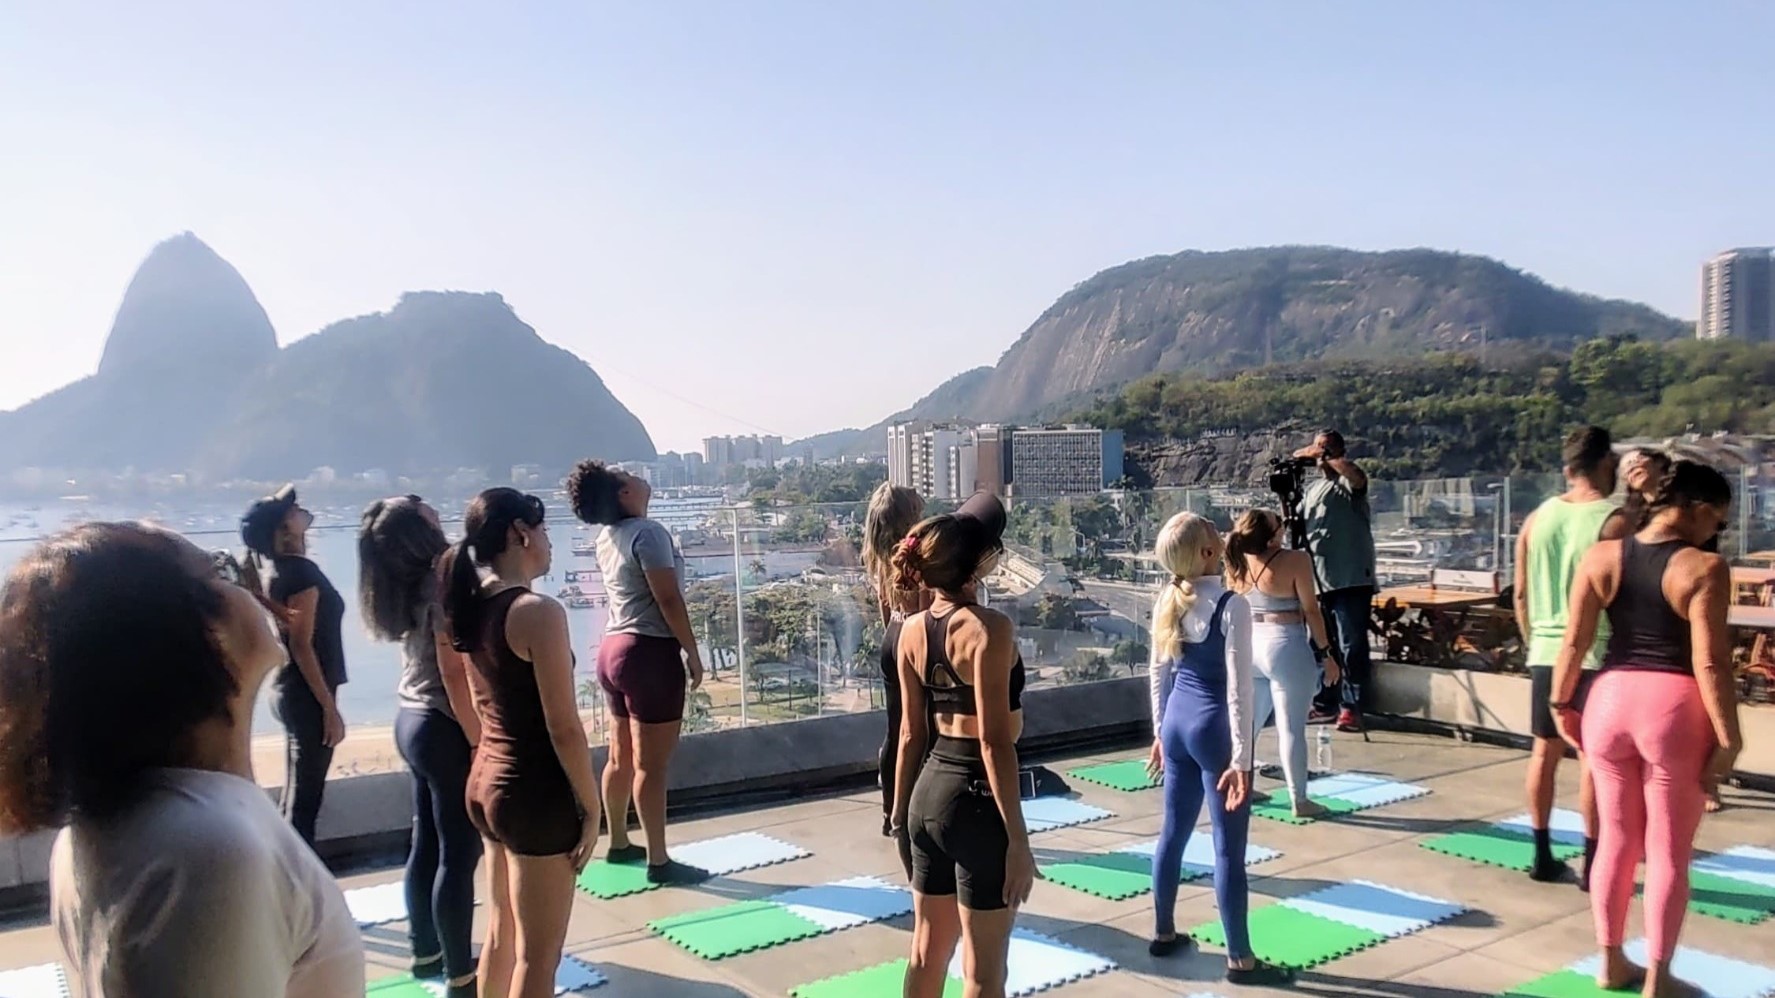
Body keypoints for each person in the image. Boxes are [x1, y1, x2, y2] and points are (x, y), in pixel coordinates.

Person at [0, 524, 363, 995]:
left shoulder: (121, 821)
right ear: (183, 629)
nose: (245, 583)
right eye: (221, 568)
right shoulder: (205, 852)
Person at [1551, 461, 1741, 998]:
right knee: (1668, 853)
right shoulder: (1703, 567)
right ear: (1698, 509)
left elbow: (1574, 642)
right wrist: (1729, 740)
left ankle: (1610, 963)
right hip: (1673, 708)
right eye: (1718, 521)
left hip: (1608, 701)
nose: (1716, 532)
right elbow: (1711, 663)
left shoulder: (1602, 555)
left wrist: (1561, 701)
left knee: (1614, 839)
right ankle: (1658, 978)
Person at [442, 489, 602, 998]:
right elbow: (565, 728)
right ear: (521, 532)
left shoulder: (471, 606)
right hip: (535, 797)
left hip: (487, 785)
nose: (552, 541)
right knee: (538, 958)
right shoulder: (537, 612)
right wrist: (591, 807)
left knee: (500, 933)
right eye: (546, 528)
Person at [889, 493, 1035, 998]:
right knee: (984, 971)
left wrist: (897, 812)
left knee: (926, 953)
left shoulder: (909, 631)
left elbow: (911, 734)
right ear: (973, 567)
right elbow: (996, 743)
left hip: (927, 793)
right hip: (977, 801)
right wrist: (1018, 839)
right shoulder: (989, 630)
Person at [1144, 512, 1289, 985]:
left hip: (1178, 726)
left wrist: (1159, 733)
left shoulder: (1169, 596)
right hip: (1214, 732)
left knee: (1173, 833)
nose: (1222, 535)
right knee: (1228, 852)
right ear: (1207, 553)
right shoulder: (1233, 605)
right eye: (1213, 532)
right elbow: (1239, 691)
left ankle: (1163, 933)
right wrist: (1242, 761)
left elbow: (1158, 674)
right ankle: (1241, 960)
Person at [360, 496, 482, 995]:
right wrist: (480, 739)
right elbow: (453, 668)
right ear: (419, 531)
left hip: (410, 719)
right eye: (429, 512)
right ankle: (461, 975)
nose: (438, 513)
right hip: (442, 724)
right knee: (460, 851)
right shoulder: (443, 578)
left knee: (426, 844)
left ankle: (426, 953)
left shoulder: (397, 582)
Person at [567, 460, 709, 885]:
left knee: (619, 756)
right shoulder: (648, 533)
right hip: (648, 654)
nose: (638, 477)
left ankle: (619, 843)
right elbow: (667, 599)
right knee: (652, 766)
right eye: (629, 477)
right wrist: (693, 653)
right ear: (624, 494)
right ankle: (660, 861)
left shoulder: (607, 537)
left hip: (612, 651)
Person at [1513, 426, 1627, 888]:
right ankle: (1592, 863)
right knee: (1593, 759)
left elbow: (1520, 593)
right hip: (1597, 653)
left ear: (1567, 469)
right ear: (1606, 463)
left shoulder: (1536, 519)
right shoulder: (1616, 520)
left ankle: (1541, 853)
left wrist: (1536, 640)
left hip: (1544, 648)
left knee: (1544, 751)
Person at [242, 484, 347, 846]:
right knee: (305, 802)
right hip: (306, 693)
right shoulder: (300, 574)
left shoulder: (280, 570)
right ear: (282, 531)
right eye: (291, 510)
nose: (300, 510)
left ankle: (288, 883)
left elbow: (290, 628)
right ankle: (301, 889)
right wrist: (328, 707)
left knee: (295, 798)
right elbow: (302, 645)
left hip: (289, 689)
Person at [1224, 508, 1339, 818]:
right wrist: (1327, 654)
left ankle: (1241, 784)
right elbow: (1311, 611)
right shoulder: (1296, 560)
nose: (1285, 527)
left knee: (1249, 724)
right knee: (1291, 729)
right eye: (1281, 524)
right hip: (1285, 643)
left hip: (1251, 644)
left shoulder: (1238, 557)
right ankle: (1299, 799)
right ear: (1273, 535)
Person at [1295, 430, 1377, 733]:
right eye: (1318, 448)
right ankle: (1325, 701)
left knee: (1351, 645)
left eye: (1327, 449)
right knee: (1321, 645)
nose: (1320, 455)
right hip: (1320, 581)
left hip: (1352, 578)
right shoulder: (1313, 490)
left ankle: (1352, 706)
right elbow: (1296, 523)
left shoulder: (1347, 484)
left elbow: (1358, 478)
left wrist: (1326, 455)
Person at [863, 482, 931, 837]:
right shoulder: (915, 554)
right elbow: (924, 609)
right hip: (914, 637)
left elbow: (884, 607)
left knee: (896, 728)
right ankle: (914, 812)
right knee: (921, 730)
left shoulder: (879, 554)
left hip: (892, 636)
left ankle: (891, 809)